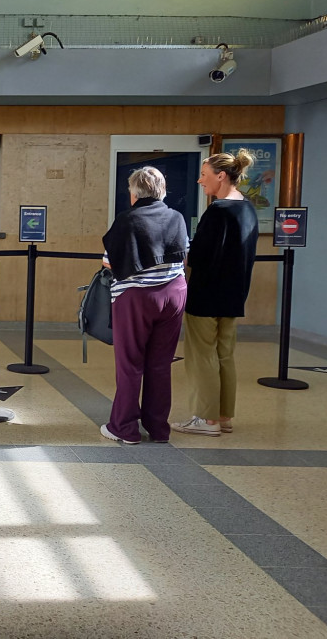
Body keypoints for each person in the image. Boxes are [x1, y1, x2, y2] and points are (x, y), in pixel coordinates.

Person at [172, 149, 259, 437]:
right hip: (234, 295)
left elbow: (197, 257)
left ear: (221, 176)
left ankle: (206, 419)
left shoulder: (217, 212)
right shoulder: (247, 209)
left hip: (207, 295)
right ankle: (223, 415)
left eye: (204, 175)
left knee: (202, 356)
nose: (200, 181)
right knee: (225, 355)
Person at [100, 166, 189, 445]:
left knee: (130, 364)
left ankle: (124, 428)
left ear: (134, 192)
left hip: (136, 297)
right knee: (161, 364)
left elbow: (109, 262)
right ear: (161, 190)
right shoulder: (176, 217)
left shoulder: (127, 220)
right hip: (174, 294)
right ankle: (159, 428)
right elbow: (183, 254)